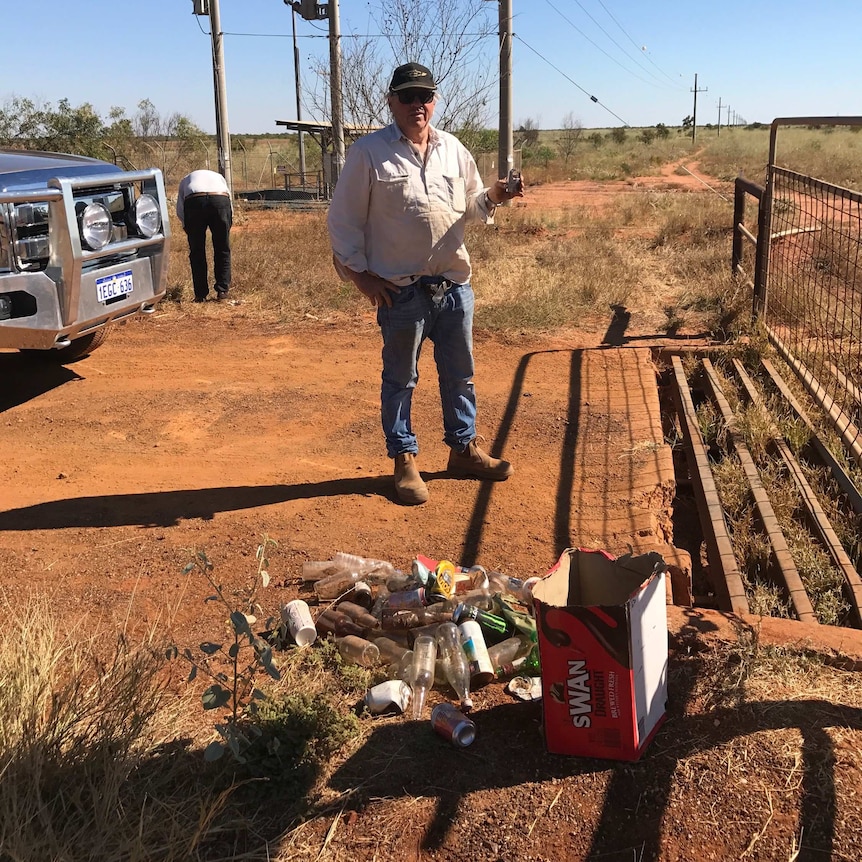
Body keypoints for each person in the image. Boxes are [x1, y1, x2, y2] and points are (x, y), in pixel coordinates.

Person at [327, 61, 524, 505]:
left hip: (454, 285)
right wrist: (358, 274)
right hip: (400, 290)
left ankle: (464, 449)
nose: (418, 104)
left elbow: (473, 205)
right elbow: (342, 222)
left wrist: (497, 195)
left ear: (434, 101)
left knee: (461, 375)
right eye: (409, 96)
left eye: (426, 96)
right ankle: (404, 458)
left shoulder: (453, 149)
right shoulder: (369, 153)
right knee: (401, 378)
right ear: (392, 101)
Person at [176, 169, 233, 303]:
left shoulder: (185, 180)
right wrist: (227, 225)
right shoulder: (219, 178)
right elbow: (229, 201)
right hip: (220, 199)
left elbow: (180, 208)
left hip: (195, 201)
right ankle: (222, 291)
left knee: (197, 251)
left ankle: (200, 295)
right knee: (222, 248)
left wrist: (186, 225)